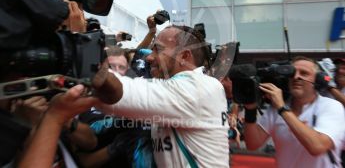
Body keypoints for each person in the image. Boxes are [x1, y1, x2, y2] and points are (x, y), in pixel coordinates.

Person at [95, 25, 229, 167]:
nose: (149, 57)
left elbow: (121, 93)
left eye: (157, 49)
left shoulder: (197, 88)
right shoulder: (188, 86)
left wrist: (87, 59)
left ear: (184, 56)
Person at [243, 56, 345, 168]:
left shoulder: (331, 106)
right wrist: (250, 110)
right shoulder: (276, 108)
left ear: (317, 80)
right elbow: (252, 144)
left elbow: (317, 146)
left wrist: (282, 109)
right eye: (292, 73)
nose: (296, 77)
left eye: (304, 73)